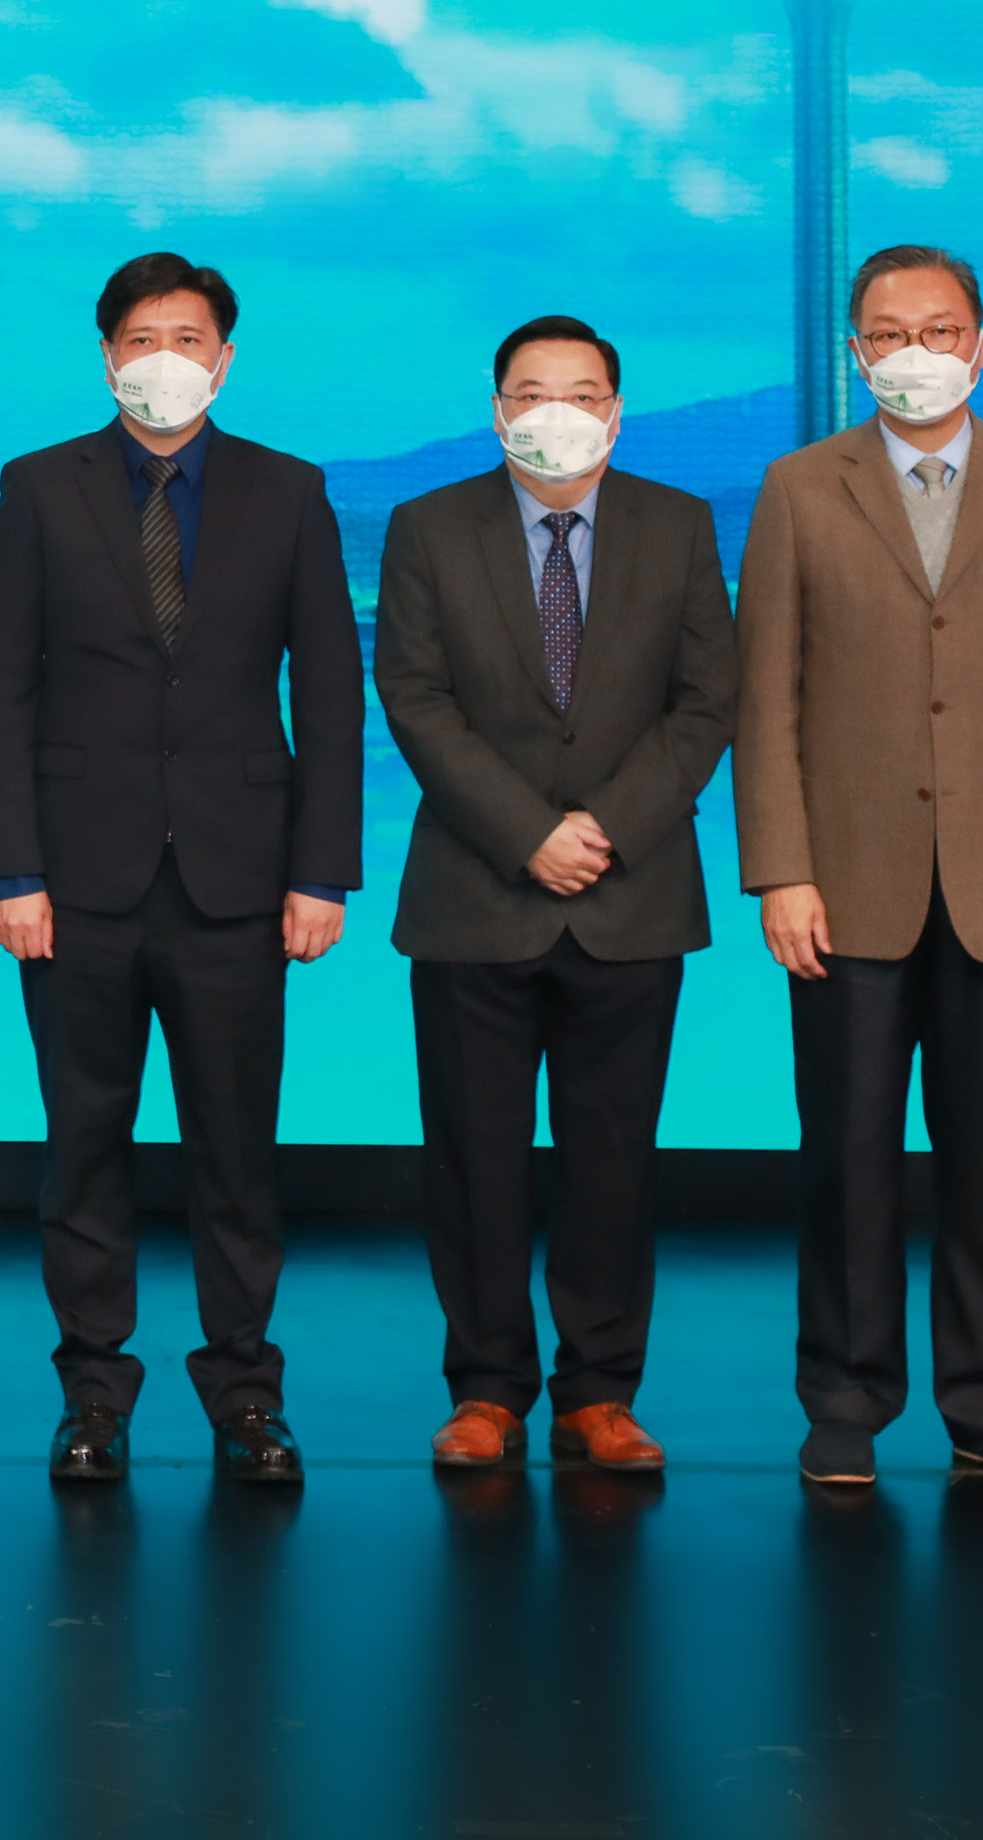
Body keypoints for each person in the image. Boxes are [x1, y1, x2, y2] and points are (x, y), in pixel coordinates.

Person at [738, 244, 983, 1494]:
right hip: (843, 887)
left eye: (939, 328)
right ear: (855, 351)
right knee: (844, 1161)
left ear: (980, 344)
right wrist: (781, 869)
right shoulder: (799, 486)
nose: (914, 350)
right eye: (887, 331)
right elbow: (766, 699)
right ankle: (844, 1400)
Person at [0, 252, 362, 1486]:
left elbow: (330, 693)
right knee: (83, 1146)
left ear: (224, 358)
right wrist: (11, 869)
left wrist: (322, 872)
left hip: (241, 882)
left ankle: (246, 1392)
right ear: (106, 357)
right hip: (73, 883)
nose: (163, 360)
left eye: (187, 338)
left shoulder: (289, 490)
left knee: (236, 1153)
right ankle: (93, 1390)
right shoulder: (39, 486)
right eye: (141, 338)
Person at [372, 315, 735, 1476]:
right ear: (497, 409)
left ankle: (600, 1391)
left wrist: (607, 827)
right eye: (531, 392)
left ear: (616, 412)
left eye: (580, 392)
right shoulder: (428, 526)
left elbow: (705, 701)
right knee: (472, 1159)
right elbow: (415, 697)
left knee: (613, 1161)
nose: (555, 412)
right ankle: (485, 1387)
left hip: (632, 896)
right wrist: (528, 832)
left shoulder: (679, 524)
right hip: (474, 895)